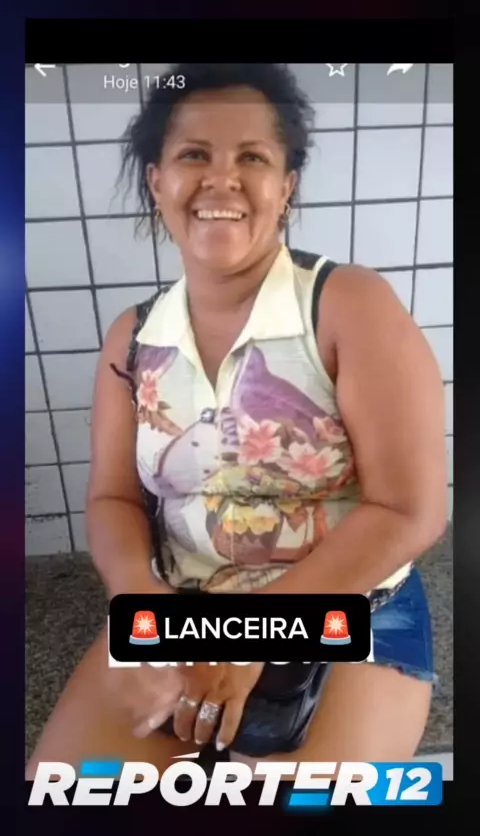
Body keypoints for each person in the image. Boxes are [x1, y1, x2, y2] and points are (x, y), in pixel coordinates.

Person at [26, 62, 447, 779]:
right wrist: (142, 610)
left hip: (355, 605)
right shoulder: (133, 336)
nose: (221, 179)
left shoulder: (349, 305)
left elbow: (409, 510)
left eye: (252, 158)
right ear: (157, 180)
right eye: (194, 154)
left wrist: (255, 634)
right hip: (185, 607)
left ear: (286, 187)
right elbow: (112, 498)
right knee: (61, 794)